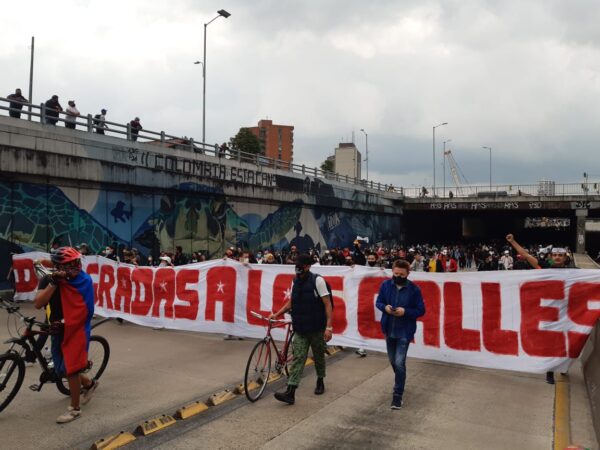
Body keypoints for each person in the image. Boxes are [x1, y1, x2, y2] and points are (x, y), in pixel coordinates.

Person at [33, 247, 98, 423]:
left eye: (77, 262)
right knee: (61, 370)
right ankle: (89, 384)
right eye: (69, 265)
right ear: (58, 266)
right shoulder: (49, 279)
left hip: (75, 329)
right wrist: (53, 282)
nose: (75, 267)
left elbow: (86, 310)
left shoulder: (84, 280)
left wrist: (67, 324)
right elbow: (39, 303)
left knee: (71, 370)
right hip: (55, 329)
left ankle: (75, 409)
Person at [270, 254, 333, 404]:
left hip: (317, 327)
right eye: (296, 265)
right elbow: (291, 302)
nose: (298, 268)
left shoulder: (317, 281)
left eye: (301, 265)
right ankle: (290, 392)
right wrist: (277, 314)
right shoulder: (295, 281)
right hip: (300, 327)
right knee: (298, 358)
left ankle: (320, 380)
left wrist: (329, 327)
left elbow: (327, 304)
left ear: (308, 266)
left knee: (318, 355)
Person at [506, 233, 569, 384]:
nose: (557, 257)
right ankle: (550, 372)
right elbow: (526, 255)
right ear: (551, 257)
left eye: (560, 255)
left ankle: (563, 366)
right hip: (548, 313)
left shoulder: (575, 272)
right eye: (555, 255)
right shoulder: (544, 267)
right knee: (550, 345)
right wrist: (513, 241)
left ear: (565, 258)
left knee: (565, 343)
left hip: (566, 313)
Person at [375, 259, 425, 409]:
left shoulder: (414, 290)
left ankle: (397, 395)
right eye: (396, 273)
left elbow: (421, 310)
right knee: (393, 361)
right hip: (389, 329)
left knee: (399, 363)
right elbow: (379, 302)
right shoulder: (385, 285)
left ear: (408, 274)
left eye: (402, 274)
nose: (398, 276)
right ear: (392, 271)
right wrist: (385, 308)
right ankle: (400, 379)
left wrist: (405, 312)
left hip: (405, 331)